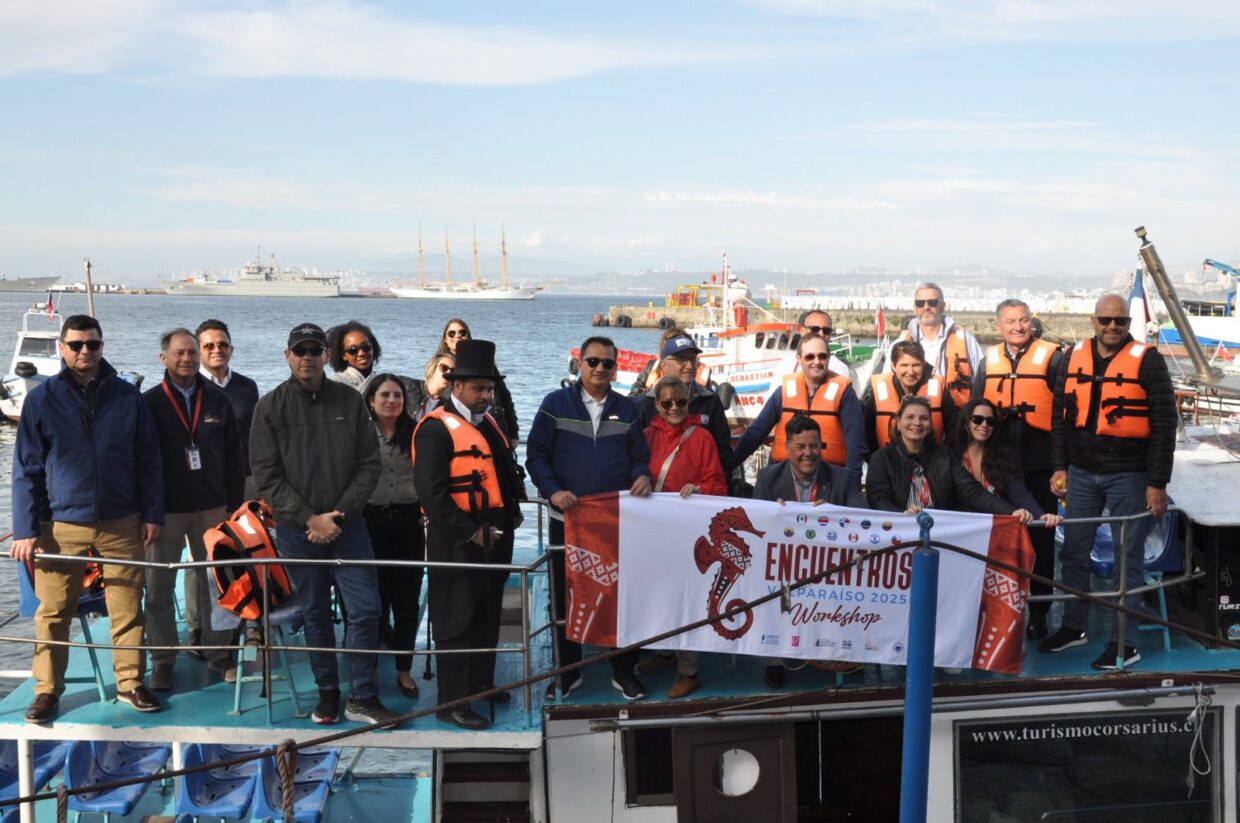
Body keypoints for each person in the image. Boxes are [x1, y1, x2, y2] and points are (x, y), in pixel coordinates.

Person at [10, 314, 164, 723]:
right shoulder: (41, 400)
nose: (84, 351)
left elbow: (148, 459)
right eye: (76, 344)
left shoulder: (126, 397)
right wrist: (25, 530)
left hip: (122, 520)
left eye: (92, 344)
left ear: (101, 347)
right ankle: (47, 690)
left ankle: (130, 682)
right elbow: (26, 469)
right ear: (62, 348)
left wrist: (152, 513)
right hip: (60, 524)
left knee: (127, 607)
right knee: (54, 611)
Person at [249, 322, 400, 727]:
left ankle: (362, 696)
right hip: (298, 531)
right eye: (300, 350)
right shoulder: (270, 408)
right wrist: (309, 518)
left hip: (347, 527)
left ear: (326, 356)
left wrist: (339, 514)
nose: (307, 357)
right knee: (315, 613)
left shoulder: (349, 401)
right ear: (287, 356)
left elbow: (369, 464)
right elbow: (266, 476)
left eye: (315, 350)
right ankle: (328, 693)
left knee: (366, 610)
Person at [1043, 295, 1176, 670]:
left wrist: (1157, 483)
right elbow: (1060, 418)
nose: (1113, 326)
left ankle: (1125, 642)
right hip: (1081, 472)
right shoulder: (1072, 357)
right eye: (1105, 320)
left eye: (1120, 321)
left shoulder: (1149, 361)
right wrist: (1060, 466)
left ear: (1128, 323)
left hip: (1129, 475)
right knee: (1073, 552)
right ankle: (1074, 627)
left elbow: (1164, 425)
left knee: (1126, 559)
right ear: (1093, 321)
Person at [526, 335, 653, 701]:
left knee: (618, 595)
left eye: (607, 363)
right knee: (564, 596)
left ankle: (623, 671)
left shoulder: (628, 409)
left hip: (614, 522)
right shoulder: (554, 404)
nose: (600, 368)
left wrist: (642, 476)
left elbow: (639, 457)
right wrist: (553, 491)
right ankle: (568, 673)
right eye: (593, 361)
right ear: (580, 364)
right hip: (566, 518)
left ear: (615, 368)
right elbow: (536, 455)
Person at [413, 341, 525, 729]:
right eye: (479, 388)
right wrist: (471, 532)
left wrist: (510, 517)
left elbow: (503, 475)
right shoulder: (435, 430)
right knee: (455, 617)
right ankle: (452, 701)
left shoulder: (489, 424)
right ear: (456, 386)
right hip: (456, 541)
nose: (486, 395)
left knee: (487, 612)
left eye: (489, 388)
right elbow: (431, 494)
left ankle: (481, 683)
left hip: (495, 536)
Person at [142, 328, 246, 691]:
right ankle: (163, 660)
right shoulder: (148, 403)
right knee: (158, 588)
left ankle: (219, 655)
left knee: (217, 586)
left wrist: (234, 508)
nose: (186, 358)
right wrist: (148, 511)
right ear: (164, 358)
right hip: (165, 511)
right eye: (179, 353)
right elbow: (140, 461)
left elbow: (235, 457)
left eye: (191, 352)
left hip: (213, 508)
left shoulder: (218, 401)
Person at [972, 298, 1066, 638]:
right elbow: (975, 410)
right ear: (999, 326)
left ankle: (1039, 612)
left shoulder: (1053, 358)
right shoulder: (988, 362)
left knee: (1041, 538)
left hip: (1041, 463)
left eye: (1023, 320)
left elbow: (1065, 412)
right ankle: (994, 612)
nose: (1018, 327)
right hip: (999, 463)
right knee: (997, 538)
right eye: (1011, 321)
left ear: (1031, 322)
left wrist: (1061, 466)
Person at [752, 414, 867, 687]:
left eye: (814, 446)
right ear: (787, 447)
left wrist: (835, 514)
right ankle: (774, 661)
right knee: (768, 588)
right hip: (785, 567)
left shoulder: (842, 478)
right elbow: (755, 524)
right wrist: (772, 516)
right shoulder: (768, 478)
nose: (808, 453)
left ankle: (846, 654)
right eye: (800, 446)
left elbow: (864, 518)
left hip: (831, 568)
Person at [634, 375, 728, 699]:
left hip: (688, 533)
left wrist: (700, 489)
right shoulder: (645, 437)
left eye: (681, 402)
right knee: (657, 596)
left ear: (689, 403)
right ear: (657, 406)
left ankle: (689, 670)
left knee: (685, 599)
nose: (674, 407)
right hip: (654, 532)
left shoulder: (702, 438)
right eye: (667, 402)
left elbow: (718, 485)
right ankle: (664, 651)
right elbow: (634, 472)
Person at [191, 318, 261, 656]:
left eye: (222, 344)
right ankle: (199, 629)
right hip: (206, 487)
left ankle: (253, 625)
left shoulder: (247, 387)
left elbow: (256, 435)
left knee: (250, 555)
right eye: (209, 345)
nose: (216, 350)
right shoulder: (191, 389)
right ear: (198, 350)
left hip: (246, 482)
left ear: (231, 348)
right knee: (204, 563)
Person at [360, 374, 425, 701]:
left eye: (397, 395)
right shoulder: (359, 435)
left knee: (407, 602)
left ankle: (404, 670)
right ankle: (368, 671)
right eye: (384, 395)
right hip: (369, 524)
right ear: (371, 400)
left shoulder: (417, 433)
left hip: (408, 523)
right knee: (373, 603)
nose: (391, 401)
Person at [729, 333, 867, 484]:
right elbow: (755, 433)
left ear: (829, 358)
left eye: (822, 356)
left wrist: (851, 485)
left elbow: (856, 443)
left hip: (829, 478)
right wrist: (728, 467)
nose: (817, 362)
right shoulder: (784, 392)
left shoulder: (845, 393)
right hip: (785, 476)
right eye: (810, 357)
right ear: (799, 359)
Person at [866, 396, 1024, 518]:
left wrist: (1010, 511)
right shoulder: (881, 458)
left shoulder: (945, 455)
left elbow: (971, 491)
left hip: (941, 533)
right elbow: (878, 499)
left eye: (924, 418)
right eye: (910, 417)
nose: (917, 423)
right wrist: (902, 516)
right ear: (899, 423)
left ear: (930, 425)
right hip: (899, 531)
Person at [954, 399, 1063, 528]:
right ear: (965, 422)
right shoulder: (951, 456)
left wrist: (1041, 516)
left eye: (990, 421)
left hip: (996, 529)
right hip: (960, 527)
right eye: (977, 419)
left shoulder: (1006, 457)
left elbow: (1019, 493)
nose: (984, 425)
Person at [634, 334, 733, 469]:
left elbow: (723, 451)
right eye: (681, 360)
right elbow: (635, 453)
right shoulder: (644, 404)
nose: (689, 366)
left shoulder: (710, 401)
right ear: (664, 365)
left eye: (693, 359)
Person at [885, 282, 983, 407]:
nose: (926, 307)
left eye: (932, 302)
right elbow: (888, 383)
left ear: (942, 306)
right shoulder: (899, 345)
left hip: (956, 414)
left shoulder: (967, 341)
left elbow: (981, 383)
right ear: (914, 308)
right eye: (920, 303)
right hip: (914, 416)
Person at [862, 339, 956, 454]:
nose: (910, 372)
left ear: (924, 365)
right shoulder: (879, 391)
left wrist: (945, 460)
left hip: (931, 460)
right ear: (893, 366)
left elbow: (954, 431)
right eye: (904, 365)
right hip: (888, 460)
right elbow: (867, 434)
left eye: (916, 365)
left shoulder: (938, 389)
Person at [436, 318, 518, 445]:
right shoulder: (441, 366)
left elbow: (506, 397)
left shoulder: (485, 365)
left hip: (495, 426)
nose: (457, 336)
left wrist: (513, 432)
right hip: (460, 429)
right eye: (452, 333)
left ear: (468, 336)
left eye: (462, 332)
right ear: (445, 340)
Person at [327, 320, 382, 391]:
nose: (361, 353)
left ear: (373, 347)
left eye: (366, 347)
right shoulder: (337, 382)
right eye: (353, 350)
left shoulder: (381, 381)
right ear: (343, 355)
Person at [420, 353, 454, 418]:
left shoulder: (449, 404)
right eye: (444, 368)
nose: (448, 373)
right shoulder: (409, 389)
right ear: (432, 368)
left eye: (452, 371)